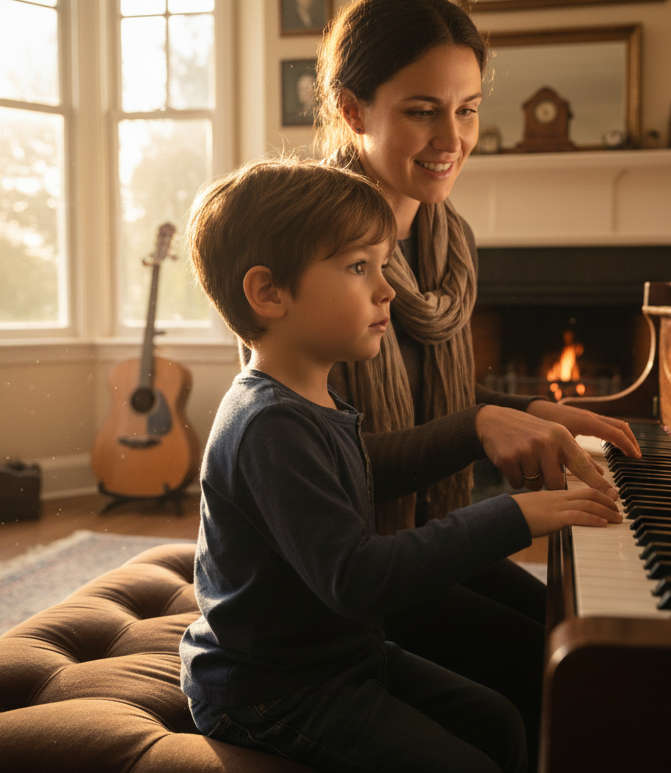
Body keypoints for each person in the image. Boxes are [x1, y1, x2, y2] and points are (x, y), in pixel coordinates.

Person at [180, 158, 623, 772]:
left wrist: (496, 426)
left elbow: (359, 478)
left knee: (499, 720)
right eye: (359, 267)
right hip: (272, 688)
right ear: (268, 293)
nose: (387, 289)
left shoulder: (313, 398)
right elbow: (355, 580)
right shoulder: (268, 425)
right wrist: (514, 515)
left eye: (382, 265)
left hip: (338, 657)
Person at [310, 0, 643, 770]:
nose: (451, 137)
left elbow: (446, 402)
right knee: (556, 668)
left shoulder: (444, 234)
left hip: (422, 537)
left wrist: (534, 407)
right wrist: (477, 428)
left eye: (465, 109)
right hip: (350, 575)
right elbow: (327, 463)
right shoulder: (317, 247)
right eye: (422, 109)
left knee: (574, 629)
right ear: (355, 111)